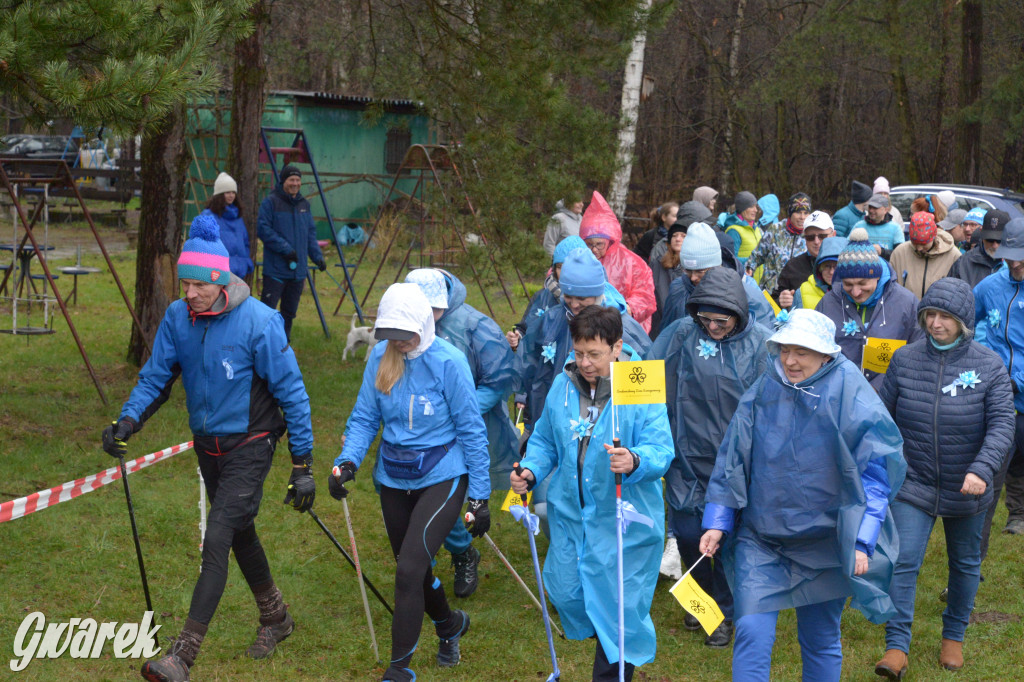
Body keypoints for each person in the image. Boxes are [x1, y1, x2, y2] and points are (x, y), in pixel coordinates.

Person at [101, 215, 316, 682]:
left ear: (220, 281)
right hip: (208, 447)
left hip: (252, 443)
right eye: (185, 283)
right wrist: (128, 420)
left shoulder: (260, 321)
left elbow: (293, 394)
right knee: (239, 532)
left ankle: (182, 656)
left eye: (198, 284)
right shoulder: (179, 318)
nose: (189, 293)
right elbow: (157, 377)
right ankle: (276, 617)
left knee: (217, 536)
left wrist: (303, 464)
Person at [699, 308, 907, 682]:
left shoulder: (849, 390)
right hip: (762, 538)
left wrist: (862, 538)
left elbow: (875, 470)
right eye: (784, 350)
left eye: (801, 352)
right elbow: (733, 457)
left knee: (821, 636)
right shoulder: (767, 385)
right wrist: (718, 519)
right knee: (751, 631)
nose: (790, 360)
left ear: (825, 354)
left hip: (824, 541)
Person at [329, 283, 491, 682]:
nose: (398, 343)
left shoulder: (449, 362)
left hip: (443, 474)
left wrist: (480, 496)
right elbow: (366, 418)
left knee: (406, 571)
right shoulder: (380, 360)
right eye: (390, 335)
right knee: (415, 571)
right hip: (394, 475)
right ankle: (449, 624)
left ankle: (399, 669)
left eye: (405, 335)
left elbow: (472, 429)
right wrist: (347, 461)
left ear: (423, 324)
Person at [511, 305, 673, 681]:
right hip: (572, 515)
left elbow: (661, 450)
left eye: (594, 354)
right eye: (579, 352)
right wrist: (531, 470)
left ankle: (613, 671)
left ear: (617, 347)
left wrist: (634, 460)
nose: (584, 362)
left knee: (620, 611)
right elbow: (546, 440)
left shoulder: (639, 382)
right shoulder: (562, 385)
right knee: (568, 592)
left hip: (624, 519)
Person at [874, 278, 1014, 678]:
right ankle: (896, 646)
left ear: (964, 321)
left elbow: (1003, 424)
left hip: (968, 485)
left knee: (966, 563)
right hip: (913, 482)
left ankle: (954, 636)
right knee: (902, 561)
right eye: (929, 315)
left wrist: (981, 469)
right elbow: (884, 417)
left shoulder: (988, 365)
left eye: (945, 317)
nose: (935, 323)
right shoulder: (904, 359)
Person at [646, 267, 772, 649]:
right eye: (706, 319)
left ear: (740, 313)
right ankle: (703, 604)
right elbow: (649, 374)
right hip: (687, 456)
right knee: (687, 535)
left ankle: (724, 610)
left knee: (730, 541)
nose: (713, 327)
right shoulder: (683, 333)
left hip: (736, 464)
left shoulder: (762, 345)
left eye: (722, 320)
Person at [405, 268, 517, 599]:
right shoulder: (408, 323)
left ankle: (462, 552)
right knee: (416, 494)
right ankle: (429, 553)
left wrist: (458, 410)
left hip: (465, 426)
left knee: (449, 498)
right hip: (420, 428)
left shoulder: (475, 327)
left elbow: (499, 380)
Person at [515, 247, 650, 434]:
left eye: (581, 298)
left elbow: (644, 394)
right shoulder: (553, 319)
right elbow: (530, 365)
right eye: (568, 297)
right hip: (554, 420)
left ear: (597, 293)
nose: (574, 304)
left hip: (607, 429)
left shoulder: (622, 328)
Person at [816, 228, 923, 390]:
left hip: (890, 396)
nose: (856, 292)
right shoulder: (829, 302)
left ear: (877, 276)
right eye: (848, 285)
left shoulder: (906, 303)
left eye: (863, 283)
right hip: (841, 393)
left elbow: (919, 352)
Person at [973, 216, 1024, 541]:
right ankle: (974, 542)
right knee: (991, 466)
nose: (1014, 262)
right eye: (1010, 253)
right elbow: (964, 320)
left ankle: (1018, 513)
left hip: (1020, 393)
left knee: (1021, 462)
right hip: (995, 396)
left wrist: (1018, 380)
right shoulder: (990, 286)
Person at [508, 235, 628, 351]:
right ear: (554, 268)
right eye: (560, 267)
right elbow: (527, 329)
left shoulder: (609, 306)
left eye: (581, 298)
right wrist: (518, 338)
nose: (574, 304)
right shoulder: (542, 297)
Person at [659, 223, 774, 331]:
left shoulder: (745, 291)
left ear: (716, 265)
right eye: (688, 270)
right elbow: (667, 334)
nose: (693, 277)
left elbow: (764, 338)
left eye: (700, 271)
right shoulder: (678, 288)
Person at [257, 164, 327, 340]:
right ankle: (260, 346)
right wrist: (286, 249)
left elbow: (310, 234)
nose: (295, 183)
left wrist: (317, 257)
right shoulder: (271, 202)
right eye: (291, 180)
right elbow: (263, 229)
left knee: (289, 314)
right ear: (283, 181)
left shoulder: (304, 205)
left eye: (298, 180)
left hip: (298, 272)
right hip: (276, 270)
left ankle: (283, 346)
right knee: (267, 312)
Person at [579, 190, 657, 332]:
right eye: (589, 244)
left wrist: (624, 308)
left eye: (599, 244)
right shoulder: (578, 258)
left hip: (623, 328)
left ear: (610, 241)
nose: (594, 249)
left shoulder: (633, 263)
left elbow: (645, 296)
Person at [746, 192, 811, 294]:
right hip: (771, 293)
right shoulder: (775, 230)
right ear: (790, 213)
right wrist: (749, 268)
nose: (802, 217)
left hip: (797, 294)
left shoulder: (811, 235)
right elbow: (757, 255)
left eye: (806, 213)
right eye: (798, 212)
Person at [890, 212, 961, 300]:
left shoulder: (953, 255)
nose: (919, 248)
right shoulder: (899, 253)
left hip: (937, 312)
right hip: (906, 311)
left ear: (933, 237)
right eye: (915, 243)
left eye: (923, 244)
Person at [773, 210, 836, 307]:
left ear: (833, 235)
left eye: (822, 236)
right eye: (810, 237)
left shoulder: (845, 263)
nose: (816, 241)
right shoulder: (792, 266)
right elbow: (773, 302)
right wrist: (780, 301)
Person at [204, 172, 253, 279]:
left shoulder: (238, 217)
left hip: (239, 273)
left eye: (233, 192)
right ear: (219, 195)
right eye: (227, 192)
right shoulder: (208, 217)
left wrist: (244, 262)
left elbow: (245, 242)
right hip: (217, 274)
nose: (231, 196)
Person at [648, 220, 687, 337]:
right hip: (659, 320)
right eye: (674, 236)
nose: (678, 239)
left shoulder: (693, 267)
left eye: (683, 236)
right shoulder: (657, 264)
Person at [949, 209, 1005, 289]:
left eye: (973, 224)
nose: (967, 229)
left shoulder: (1013, 261)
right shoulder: (962, 259)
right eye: (965, 224)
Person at [792, 236, 847, 310]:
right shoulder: (802, 292)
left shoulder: (856, 292)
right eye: (827, 266)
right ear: (819, 268)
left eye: (837, 267)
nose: (831, 272)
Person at [851, 193, 905, 259]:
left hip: (887, 268)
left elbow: (901, 255)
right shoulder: (859, 226)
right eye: (870, 207)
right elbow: (847, 247)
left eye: (875, 208)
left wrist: (882, 252)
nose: (871, 210)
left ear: (886, 210)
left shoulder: (895, 228)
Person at [723, 191, 762, 266]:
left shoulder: (756, 228)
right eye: (751, 207)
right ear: (742, 209)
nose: (756, 210)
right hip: (743, 276)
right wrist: (753, 260)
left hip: (759, 277)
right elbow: (731, 259)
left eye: (755, 206)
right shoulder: (733, 231)